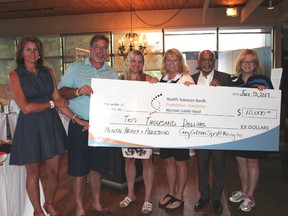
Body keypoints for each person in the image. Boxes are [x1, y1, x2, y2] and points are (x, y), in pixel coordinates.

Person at [8, 34, 89, 216]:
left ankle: (49, 204)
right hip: (29, 127)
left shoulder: (48, 72)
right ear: (21, 53)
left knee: (54, 172)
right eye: (28, 49)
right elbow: (26, 108)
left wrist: (79, 120)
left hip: (50, 125)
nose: (32, 53)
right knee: (34, 172)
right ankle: (37, 210)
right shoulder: (15, 75)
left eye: (35, 49)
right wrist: (53, 104)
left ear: (40, 53)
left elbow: (59, 100)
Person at [58, 34, 118, 216]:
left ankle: (97, 204)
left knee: (97, 169)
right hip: (79, 125)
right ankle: (79, 209)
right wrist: (77, 91)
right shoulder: (76, 68)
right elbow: (61, 92)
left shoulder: (111, 72)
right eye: (97, 47)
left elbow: (117, 100)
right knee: (78, 170)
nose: (101, 51)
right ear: (91, 49)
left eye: (104, 48)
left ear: (107, 51)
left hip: (100, 127)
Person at [228, 49, 273, 212]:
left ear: (256, 65)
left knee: (252, 162)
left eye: (251, 61)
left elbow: (272, 105)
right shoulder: (234, 82)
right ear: (240, 64)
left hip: (256, 130)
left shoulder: (264, 81)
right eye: (244, 61)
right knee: (240, 161)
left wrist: (265, 93)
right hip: (239, 129)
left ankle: (250, 196)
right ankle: (244, 190)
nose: (247, 64)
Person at [192, 49, 232, 213]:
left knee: (218, 165)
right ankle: (204, 196)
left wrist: (222, 89)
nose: (206, 63)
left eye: (210, 60)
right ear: (199, 62)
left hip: (218, 130)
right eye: (203, 60)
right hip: (199, 131)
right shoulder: (191, 79)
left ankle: (216, 198)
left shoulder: (225, 78)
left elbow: (233, 100)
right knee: (201, 166)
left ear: (214, 62)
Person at [118, 50, 158, 215]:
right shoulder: (120, 80)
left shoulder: (147, 79)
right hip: (127, 128)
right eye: (133, 61)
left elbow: (158, 96)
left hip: (144, 128)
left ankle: (148, 198)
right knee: (129, 161)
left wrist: (157, 82)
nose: (137, 64)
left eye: (140, 62)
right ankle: (131, 194)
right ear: (128, 62)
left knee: (146, 162)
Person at [157, 48, 194, 212]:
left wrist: (190, 90)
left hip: (180, 129)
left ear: (181, 62)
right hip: (165, 129)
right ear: (165, 63)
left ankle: (179, 195)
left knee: (180, 163)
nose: (171, 63)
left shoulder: (186, 79)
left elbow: (194, 102)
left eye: (175, 60)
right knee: (168, 161)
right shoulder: (161, 79)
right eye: (168, 60)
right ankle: (171, 191)